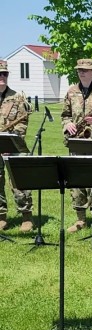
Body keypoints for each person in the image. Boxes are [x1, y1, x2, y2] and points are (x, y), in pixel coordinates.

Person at [61, 58, 92, 233]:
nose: (81, 72)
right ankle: (80, 219)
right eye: (79, 70)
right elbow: (65, 115)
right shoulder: (71, 92)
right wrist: (67, 124)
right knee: (76, 183)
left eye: (86, 70)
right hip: (76, 143)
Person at [0, 60, 34, 232]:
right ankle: (1, 217)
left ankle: (26, 217)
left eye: (4, 74)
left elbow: (22, 124)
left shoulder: (17, 98)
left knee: (19, 181)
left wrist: (10, 141)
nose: (2, 77)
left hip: (13, 146)